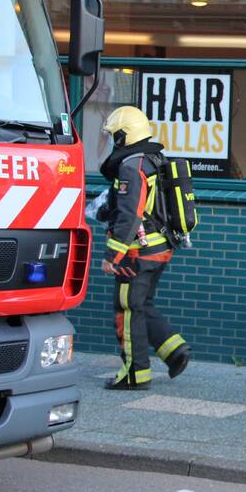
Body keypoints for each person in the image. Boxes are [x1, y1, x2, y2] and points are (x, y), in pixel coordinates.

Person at [99, 106, 191, 390]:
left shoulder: (132, 166)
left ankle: (134, 375)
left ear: (123, 136)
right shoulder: (153, 159)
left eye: (114, 134)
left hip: (137, 253)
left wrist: (113, 255)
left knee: (127, 310)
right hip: (159, 248)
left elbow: (130, 213)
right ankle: (174, 352)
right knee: (141, 305)